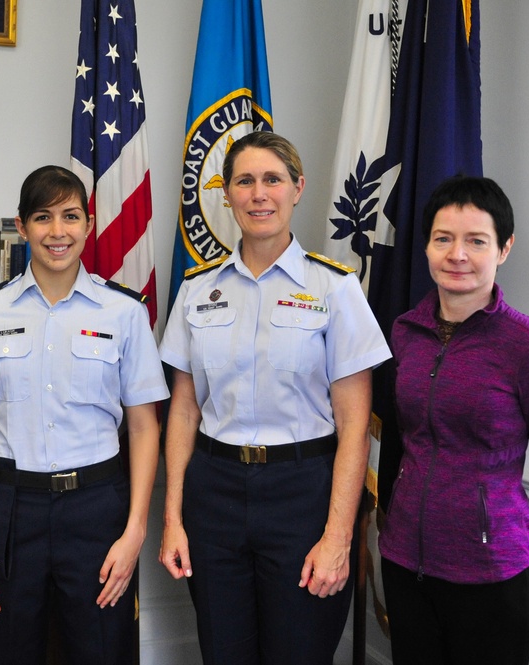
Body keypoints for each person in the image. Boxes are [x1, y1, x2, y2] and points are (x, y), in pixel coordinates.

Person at [158, 131, 392, 664]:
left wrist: (338, 536)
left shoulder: (335, 288)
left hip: (304, 494)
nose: (258, 193)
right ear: (227, 194)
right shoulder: (197, 289)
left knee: (299, 653)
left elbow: (355, 426)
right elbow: (185, 411)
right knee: (223, 652)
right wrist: (172, 518)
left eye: (272, 179)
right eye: (244, 181)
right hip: (213, 494)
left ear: (297, 188)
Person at [0, 165, 168, 664]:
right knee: (4, 652)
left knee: (103, 651)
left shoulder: (125, 313)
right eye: (43, 217)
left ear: (88, 225)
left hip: (95, 511)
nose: (57, 232)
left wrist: (134, 531)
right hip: (10, 510)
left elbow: (143, 427)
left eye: (70, 216)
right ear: (22, 227)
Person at [378, 175, 529, 665]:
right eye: (443, 238)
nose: (457, 255)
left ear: (504, 249)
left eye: (476, 241)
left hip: (496, 576)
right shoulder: (405, 332)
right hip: (405, 564)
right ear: (426, 246)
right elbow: (403, 440)